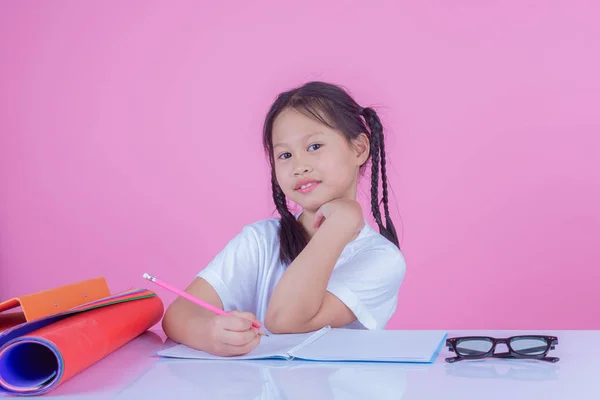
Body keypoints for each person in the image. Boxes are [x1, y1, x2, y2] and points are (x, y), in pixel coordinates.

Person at [162, 81, 406, 357]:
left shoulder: (380, 259)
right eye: (285, 155)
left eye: (314, 146)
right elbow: (179, 314)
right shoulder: (260, 241)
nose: (299, 166)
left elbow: (286, 321)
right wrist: (207, 332)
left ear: (360, 148)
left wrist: (338, 226)